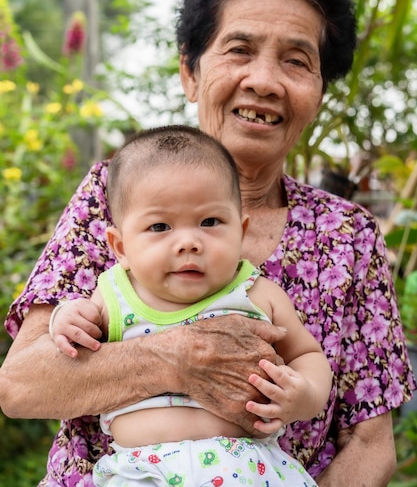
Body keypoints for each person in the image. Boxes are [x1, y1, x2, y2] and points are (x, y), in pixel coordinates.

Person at [0, 0, 415, 487]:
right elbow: (23, 384)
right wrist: (178, 357)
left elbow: (371, 442)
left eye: (297, 60)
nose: (264, 81)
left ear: (319, 91)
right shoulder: (114, 196)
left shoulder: (349, 235)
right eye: (239, 50)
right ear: (191, 73)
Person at [49, 124, 331, 486]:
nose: (188, 242)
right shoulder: (113, 295)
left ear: (241, 231)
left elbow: (308, 354)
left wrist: (303, 395)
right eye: (160, 226)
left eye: (210, 222)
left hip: (249, 469)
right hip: (142, 472)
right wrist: (64, 319)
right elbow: (70, 348)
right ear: (120, 247)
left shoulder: (257, 292)